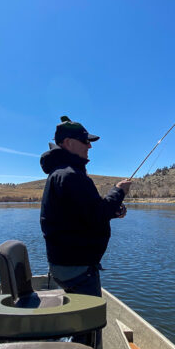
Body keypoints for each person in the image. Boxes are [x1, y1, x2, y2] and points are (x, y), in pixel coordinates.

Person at [40, 116, 131, 301]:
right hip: (77, 270)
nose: (89, 146)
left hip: (63, 266)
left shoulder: (60, 173)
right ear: (68, 143)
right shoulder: (70, 175)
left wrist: (113, 211)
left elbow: (82, 214)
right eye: (85, 141)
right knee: (90, 326)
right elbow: (97, 214)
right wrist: (119, 191)